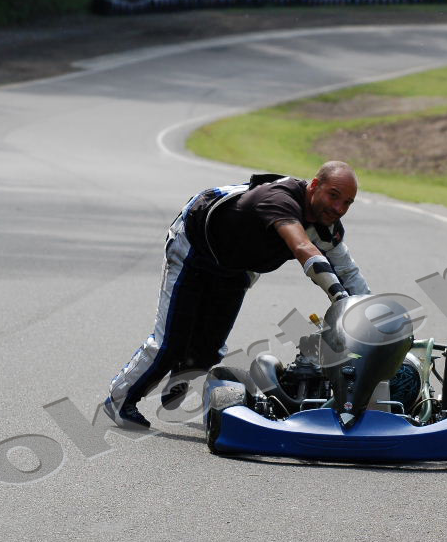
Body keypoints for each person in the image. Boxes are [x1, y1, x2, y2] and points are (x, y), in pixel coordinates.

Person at [104, 161, 370, 429]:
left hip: (236, 268)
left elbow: (348, 273)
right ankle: (120, 400)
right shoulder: (279, 199)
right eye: (333, 195)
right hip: (195, 248)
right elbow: (301, 246)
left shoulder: (328, 228)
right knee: (170, 343)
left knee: (210, 350)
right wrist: (338, 296)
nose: (339, 208)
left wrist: (371, 317)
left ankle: (182, 372)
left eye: (347, 203)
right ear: (314, 186)